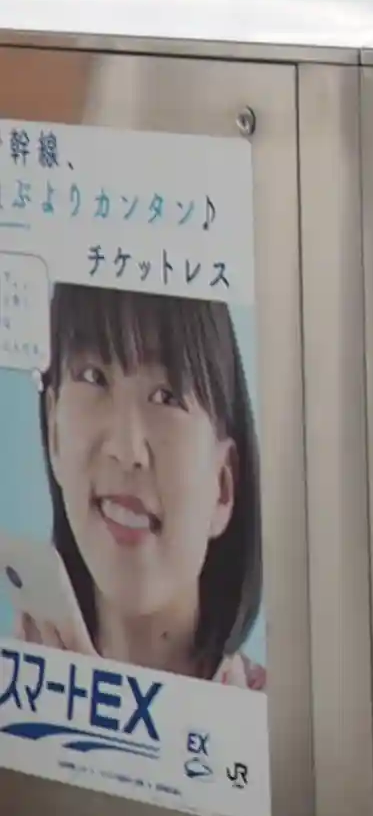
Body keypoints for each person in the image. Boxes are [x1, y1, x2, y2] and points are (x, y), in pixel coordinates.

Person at [3, 286, 263, 688]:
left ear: (223, 485)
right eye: (94, 376)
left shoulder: (279, 727)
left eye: (166, 395)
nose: (126, 450)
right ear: (54, 432)